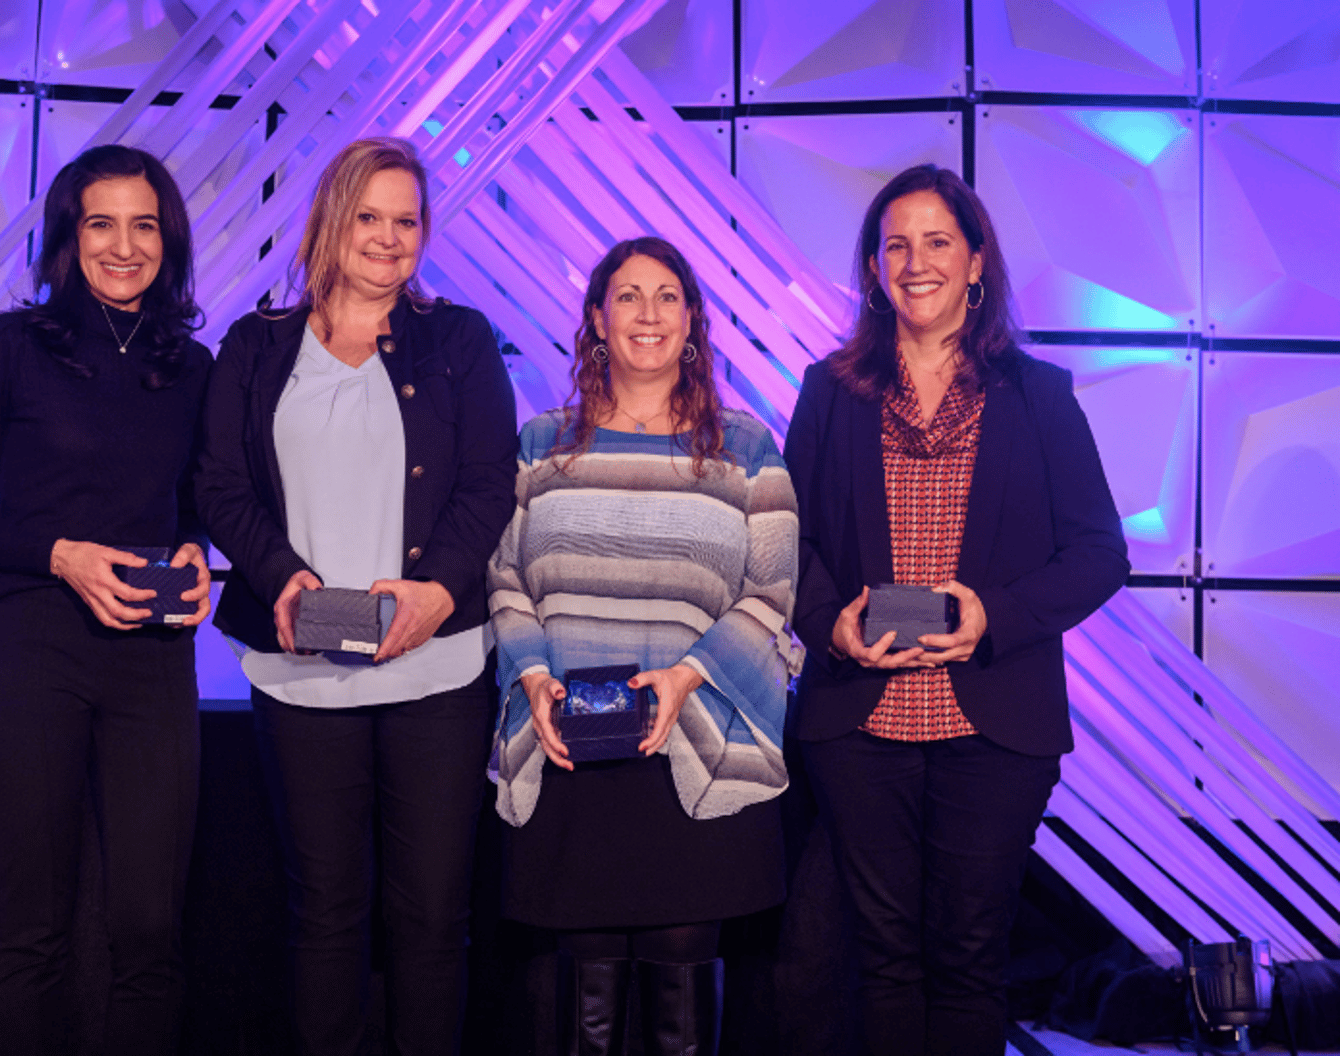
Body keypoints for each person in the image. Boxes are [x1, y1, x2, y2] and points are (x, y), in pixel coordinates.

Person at [783, 163, 1129, 1056]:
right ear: (871, 269)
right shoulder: (831, 391)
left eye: (938, 241)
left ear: (977, 262)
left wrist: (995, 616)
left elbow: (1100, 553)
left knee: (972, 961)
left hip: (996, 721)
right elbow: (786, 545)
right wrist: (834, 624)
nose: (916, 261)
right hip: (861, 721)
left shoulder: (1040, 395)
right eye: (895, 244)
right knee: (884, 959)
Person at [194, 136, 517, 1056]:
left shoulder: (456, 338)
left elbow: (492, 481)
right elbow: (219, 483)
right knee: (325, 913)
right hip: (301, 672)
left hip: (438, 669)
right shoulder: (254, 347)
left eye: (405, 220)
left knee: (430, 920)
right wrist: (279, 577)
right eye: (367, 216)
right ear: (330, 222)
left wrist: (434, 593)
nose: (386, 237)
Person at [0, 144, 212, 1055]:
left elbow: (197, 506)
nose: (124, 246)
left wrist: (200, 553)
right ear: (66, 238)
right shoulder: (7, 347)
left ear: (168, 239)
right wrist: (60, 555)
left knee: (151, 929)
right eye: (100, 224)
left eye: (144, 225)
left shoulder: (192, 365)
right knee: (32, 925)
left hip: (152, 657)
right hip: (27, 647)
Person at [489, 236, 797, 1056]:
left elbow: (772, 591)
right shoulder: (541, 443)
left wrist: (688, 677)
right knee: (583, 999)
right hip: (569, 746)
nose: (649, 314)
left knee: (681, 998)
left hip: (694, 743)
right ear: (596, 318)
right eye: (628, 296)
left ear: (692, 319)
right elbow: (505, 581)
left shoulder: (746, 447)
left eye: (668, 296)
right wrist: (531, 680)